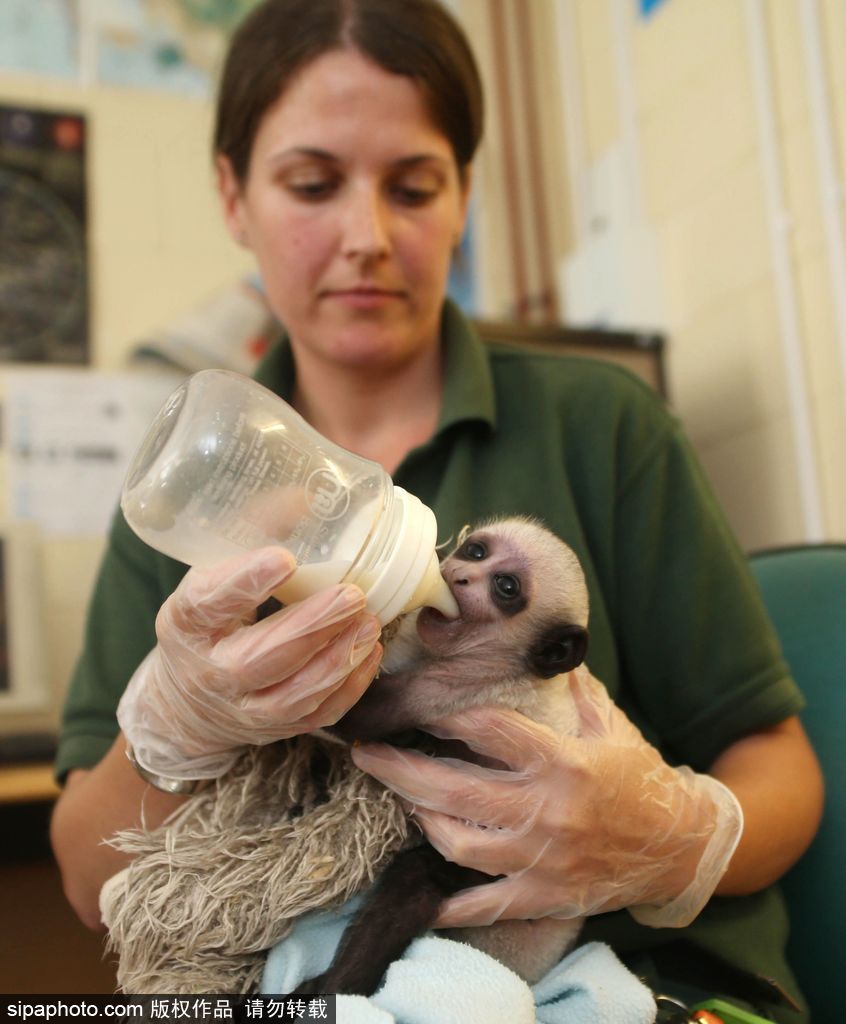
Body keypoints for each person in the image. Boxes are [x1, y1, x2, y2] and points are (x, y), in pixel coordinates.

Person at [50, 0, 823, 1017]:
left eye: (413, 187)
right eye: (312, 184)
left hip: (649, 986)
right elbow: (87, 880)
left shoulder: (602, 426)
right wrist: (174, 728)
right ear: (233, 197)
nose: (366, 237)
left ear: (464, 193)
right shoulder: (187, 511)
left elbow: (781, 770)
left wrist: (665, 836)